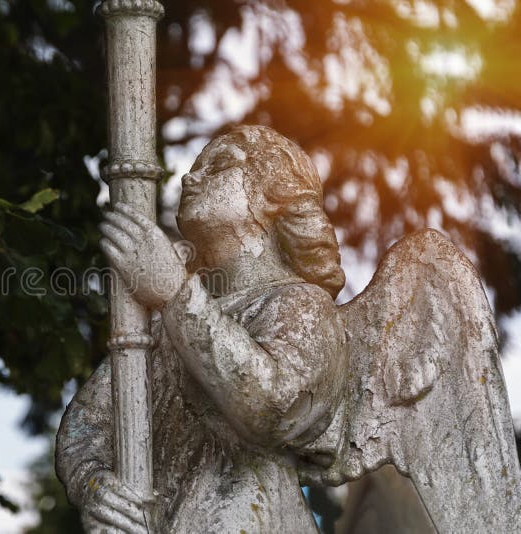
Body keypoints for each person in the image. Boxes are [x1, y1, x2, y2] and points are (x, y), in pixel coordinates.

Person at [56, 125, 348, 532]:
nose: (191, 178)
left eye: (220, 165)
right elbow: (86, 424)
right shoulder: (159, 323)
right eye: (194, 167)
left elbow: (271, 408)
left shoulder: (302, 306)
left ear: (273, 195)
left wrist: (176, 293)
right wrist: (95, 484)